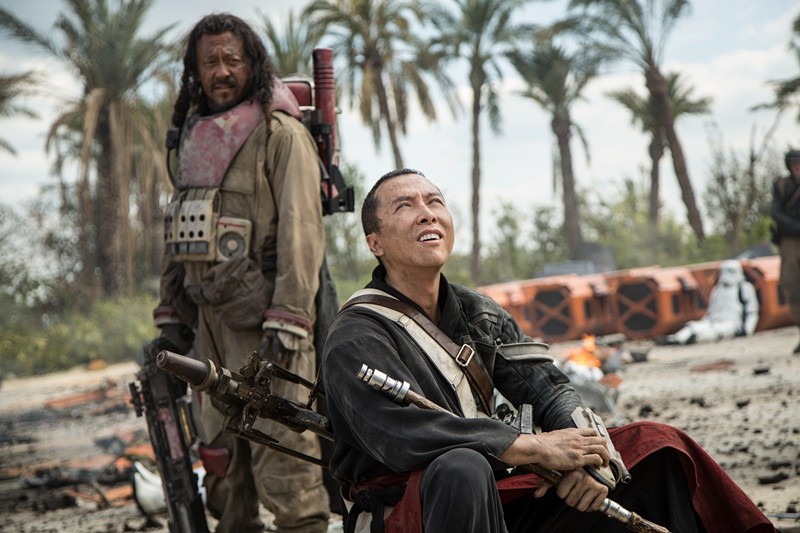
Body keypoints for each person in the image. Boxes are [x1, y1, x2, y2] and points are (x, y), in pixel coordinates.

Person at [321, 169, 775, 532]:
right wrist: (533, 448)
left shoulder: (478, 312)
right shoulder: (356, 334)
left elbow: (549, 388)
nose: (427, 215)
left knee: (656, 446)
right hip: (409, 509)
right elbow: (406, 436)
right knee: (461, 467)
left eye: (434, 202)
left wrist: (588, 461)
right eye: (405, 206)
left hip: (499, 492)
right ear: (375, 243)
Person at [152, 13, 329, 533]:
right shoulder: (194, 139)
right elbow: (181, 230)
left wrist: (288, 323)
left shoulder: (281, 133)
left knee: (286, 460)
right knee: (222, 467)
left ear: (252, 63)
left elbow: (302, 234)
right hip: (207, 327)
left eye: (232, 59)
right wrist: (170, 318)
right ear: (195, 70)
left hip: (267, 326)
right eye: (210, 62)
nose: (222, 71)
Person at [662, 259, 759, 345]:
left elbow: (752, 311)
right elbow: (711, 310)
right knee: (692, 326)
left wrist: (747, 329)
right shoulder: (717, 289)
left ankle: (695, 337)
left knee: (715, 331)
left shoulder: (744, 288)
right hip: (713, 320)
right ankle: (677, 338)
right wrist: (703, 321)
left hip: (731, 323)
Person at [771, 149, 800, 354]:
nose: (797, 167)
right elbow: (776, 211)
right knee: (792, 285)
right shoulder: (782, 186)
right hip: (790, 239)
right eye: (794, 164)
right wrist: (794, 227)